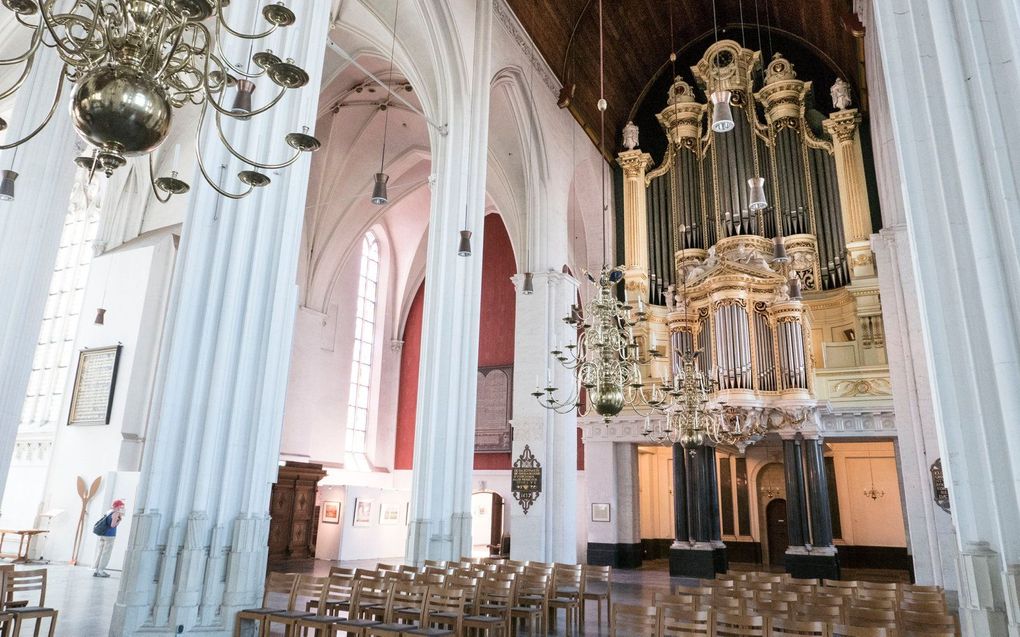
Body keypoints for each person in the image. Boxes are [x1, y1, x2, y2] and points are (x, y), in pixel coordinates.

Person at [93, 499, 125, 578]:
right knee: (106, 553)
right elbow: (113, 525)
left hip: (103, 534)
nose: (122, 507)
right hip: (110, 536)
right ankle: (101, 570)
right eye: (121, 506)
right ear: (118, 506)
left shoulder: (109, 511)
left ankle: (96, 570)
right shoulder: (116, 513)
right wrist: (119, 521)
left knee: (100, 552)